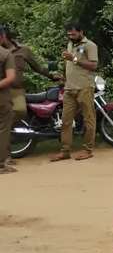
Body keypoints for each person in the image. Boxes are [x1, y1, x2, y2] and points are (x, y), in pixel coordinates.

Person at [0, 25, 60, 168]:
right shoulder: (3, 53)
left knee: (20, 111)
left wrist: (52, 76)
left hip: (16, 90)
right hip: (3, 89)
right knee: (5, 123)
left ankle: (6, 138)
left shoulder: (24, 50)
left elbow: (37, 67)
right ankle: (5, 155)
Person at [50, 23, 99, 162]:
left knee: (89, 119)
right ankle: (65, 151)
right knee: (66, 121)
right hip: (69, 88)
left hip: (84, 87)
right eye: (69, 35)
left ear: (81, 32)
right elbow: (71, 65)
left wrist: (74, 59)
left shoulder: (90, 45)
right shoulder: (70, 44)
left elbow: (94, 65)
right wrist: (64, 77)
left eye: (73, 34)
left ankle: (88, 150)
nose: (70, 37)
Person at [0, 39, 16, 174]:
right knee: (3, 130)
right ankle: (1, 165)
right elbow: (10, 77)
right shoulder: (5, 54)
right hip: (2, 98)